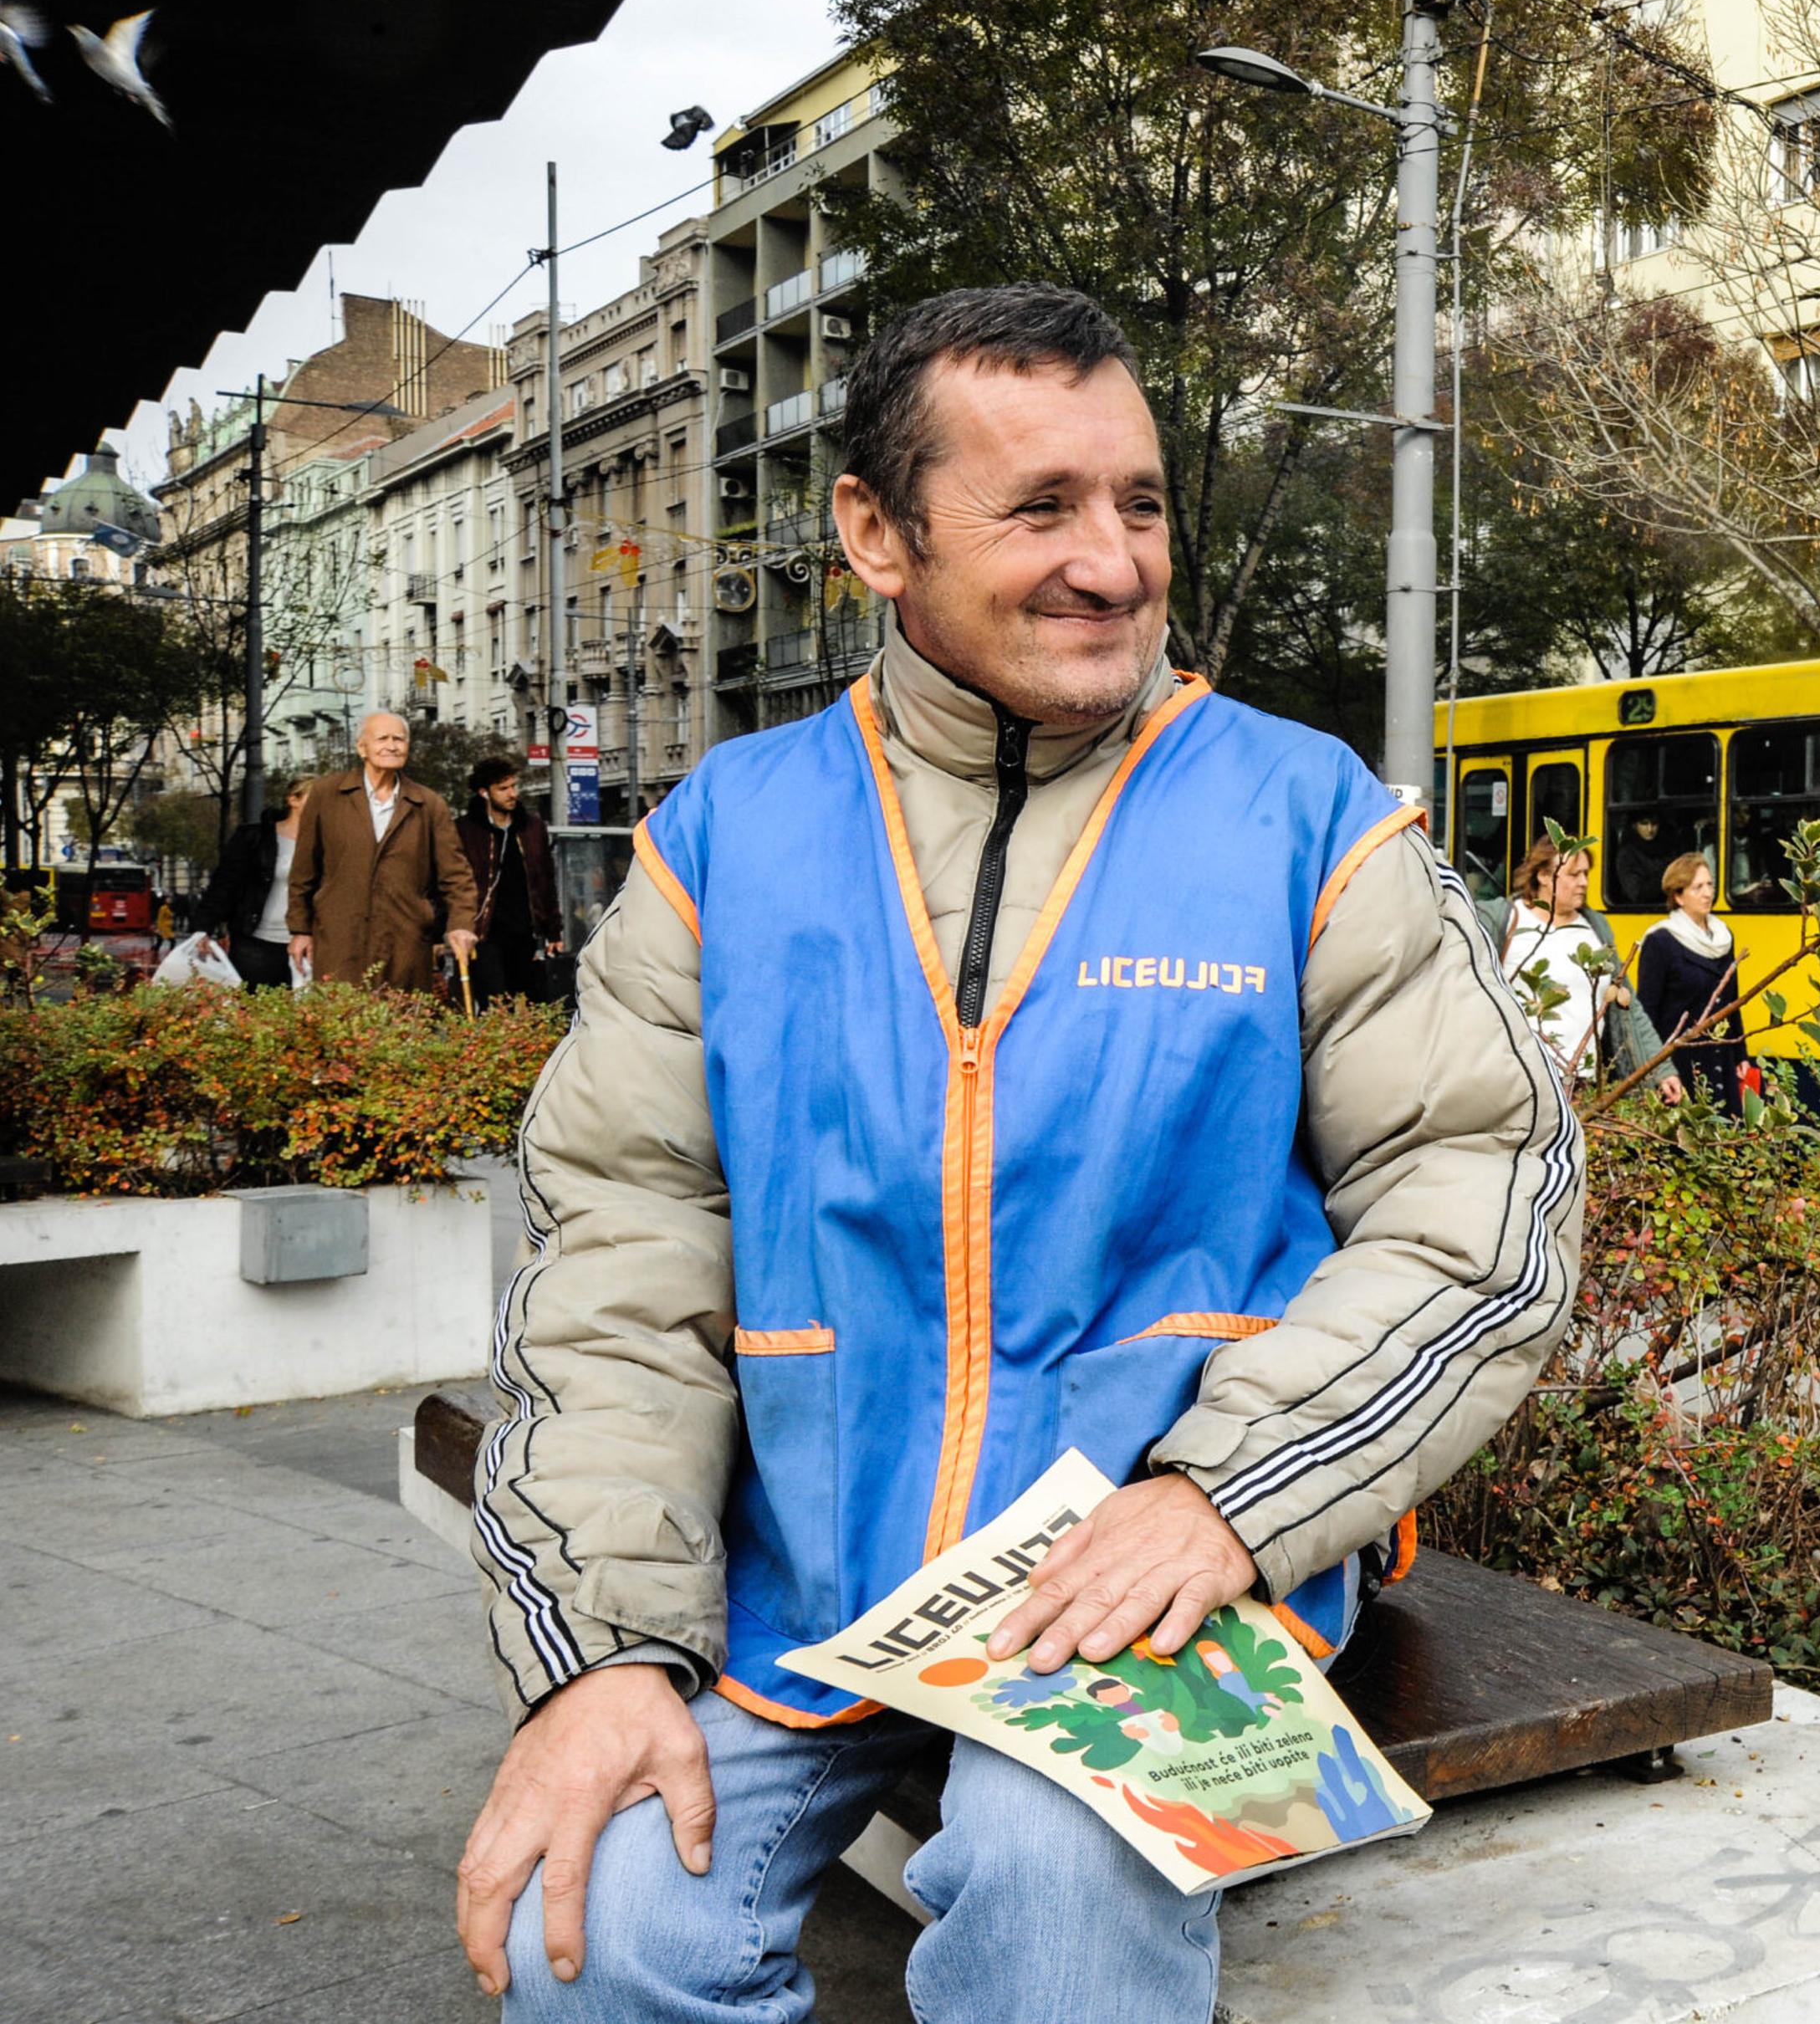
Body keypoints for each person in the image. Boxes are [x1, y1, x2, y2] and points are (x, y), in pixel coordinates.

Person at [455, 284, 1579, 2024]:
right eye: (1041, 506)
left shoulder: (1310, 816)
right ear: (875, 533)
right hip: (804, 1597)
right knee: (584, 1925)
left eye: (1136, 502)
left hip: (1175, 1584)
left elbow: (1486, 1200)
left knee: (1057, 1898)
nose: (1113, 560)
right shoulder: (724, 839)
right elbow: (616, 1254)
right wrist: (601, 1655)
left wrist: (1227, 1496)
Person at [289, 712, 478, 991]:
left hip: (406, 940)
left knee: (401, 1025)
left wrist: (461, 924)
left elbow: (457, 875)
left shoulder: (428, 804)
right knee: (341, 1024)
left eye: (399, 739)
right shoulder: (326, 795)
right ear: (361, 747)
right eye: (382, 738)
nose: (392, 745)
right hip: (340, 939)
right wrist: (300, 930)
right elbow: (304, 869)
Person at [1480, 836, 1661, 1084]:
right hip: (1521, 1081)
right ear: (1543, 876)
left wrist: (1661, 1071)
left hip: (1584, 1082)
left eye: (1586, 874)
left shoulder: (1596, 927)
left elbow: (1628, 1006)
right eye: (1573, 875)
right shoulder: (1506, 922)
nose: (1584, 883)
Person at [1633, 852, 1741, 1114]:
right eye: (1697, 887)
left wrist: (1741, 1055)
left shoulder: (1723, 937)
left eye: (1709, 885)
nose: (1708, 894)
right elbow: (1646, 1013)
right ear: (1678, 896)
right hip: (1680, 1065)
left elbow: (1733, 1002)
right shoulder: (1660, 941)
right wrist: (1658, 1071)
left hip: (1721, 1059)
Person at [457, 754, 565, 1004]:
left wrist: (553, 931)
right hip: (484, 933)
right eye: (503, 788)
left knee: (529, 1003)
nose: (512, 793)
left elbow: (546, 881)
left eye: (514, 786)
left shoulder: (532, 828)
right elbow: (453, 883)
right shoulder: (465, 830)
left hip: (526, 932)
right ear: (484, 793)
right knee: (493, 1004)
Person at [199, 777, 315, 988]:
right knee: (254, 1012)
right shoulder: (255, 837)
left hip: (309, 945)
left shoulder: (328, 841)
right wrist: (202, 929)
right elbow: (224, 885)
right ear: (293, 800)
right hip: (256, 944)